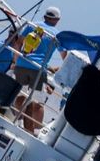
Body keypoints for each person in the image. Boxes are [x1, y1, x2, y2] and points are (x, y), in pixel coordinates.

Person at [12, 7, 64, 135]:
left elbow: (18, 43)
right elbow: (64, 57)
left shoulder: (32, 25)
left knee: (19, 96)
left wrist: (15, 61)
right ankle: (35, 132)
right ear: (57, 20)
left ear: (45, 17)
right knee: (38, 103)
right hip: (38, 69)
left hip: (22, 64)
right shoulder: (57, 35)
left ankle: (19, 121)